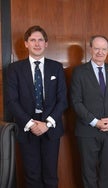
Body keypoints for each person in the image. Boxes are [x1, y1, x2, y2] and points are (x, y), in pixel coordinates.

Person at [6, 25, 68, 188]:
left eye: (41, 40)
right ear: (26, 43)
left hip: (51, 128)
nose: (37, 43)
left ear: (46, 43)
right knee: (32, 176)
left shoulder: (56, 67)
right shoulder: (14, 69)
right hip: (27, 128)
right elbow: (12, 101)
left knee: (51, 176)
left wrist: (47, 123)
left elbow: (62, 99)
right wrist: (31, 123)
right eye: (33, 40)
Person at [70, 35, 108, 188]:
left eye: (103, 49)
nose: (100, 52)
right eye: (97, 48)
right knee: (89, 172)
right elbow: (76, 102)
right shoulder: (79, 72)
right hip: (87, 130)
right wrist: (96, 122)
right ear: (90, 49)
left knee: (107, 171)